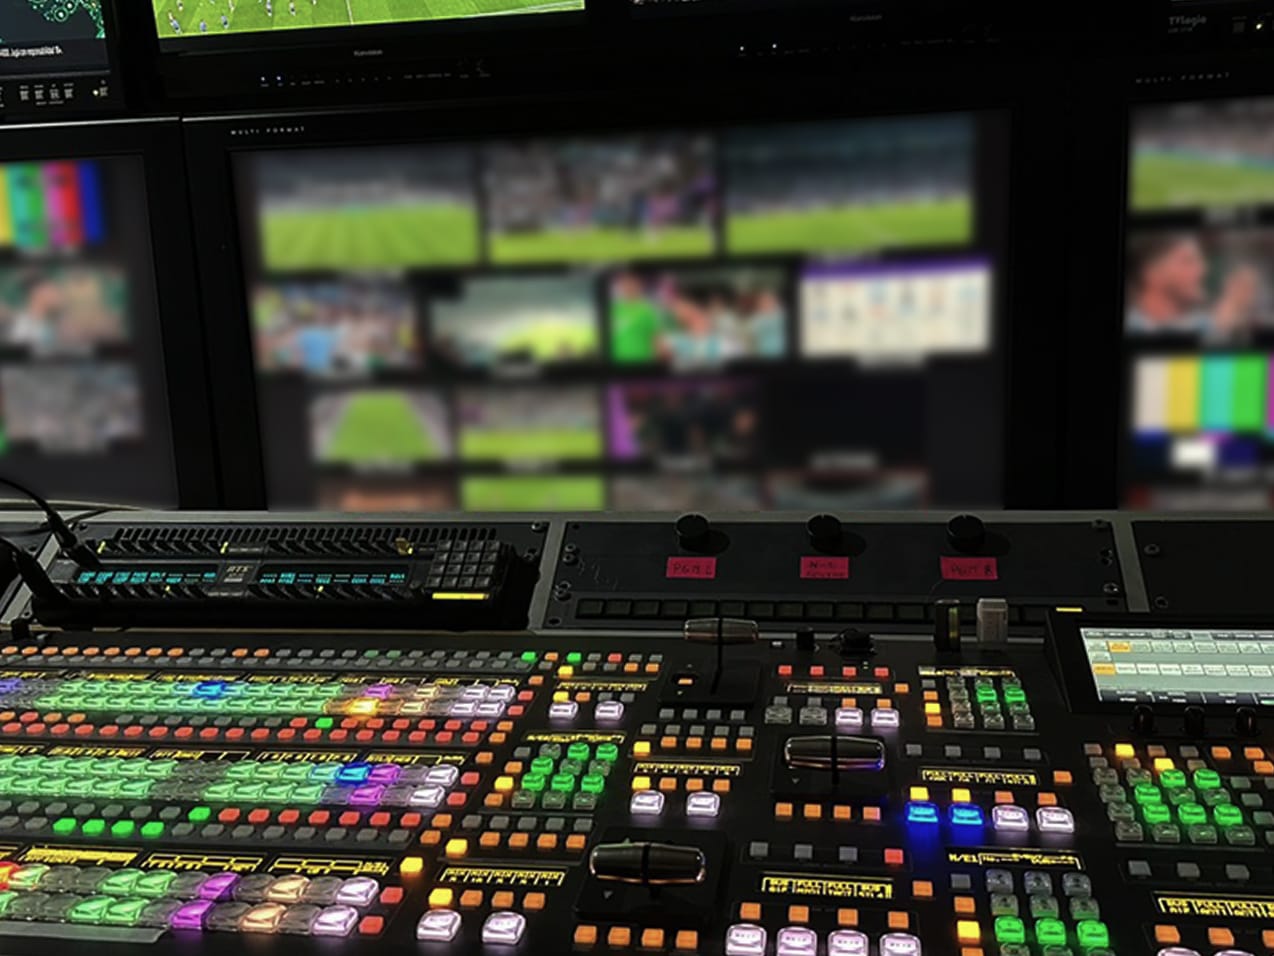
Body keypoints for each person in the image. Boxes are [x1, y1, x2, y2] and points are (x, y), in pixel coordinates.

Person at [1125, 233, 1259, 339]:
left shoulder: (1202, 323)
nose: (1203, 269)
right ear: (1152, 274)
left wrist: (1231, 307)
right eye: (1188, 262)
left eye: (1200, 261)